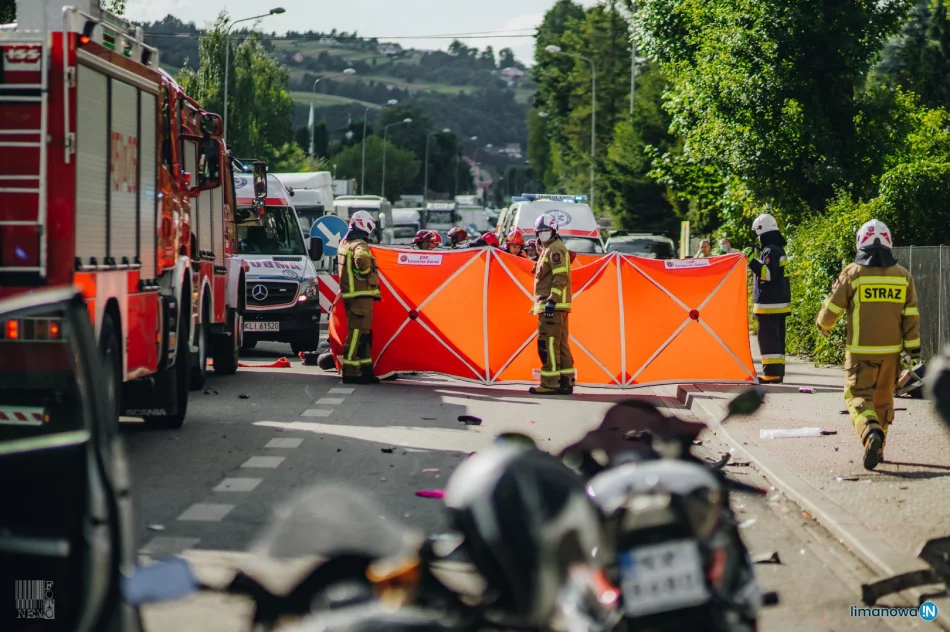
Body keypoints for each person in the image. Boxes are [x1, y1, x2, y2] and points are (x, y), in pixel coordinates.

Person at [816, 219, 920, 470]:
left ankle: (870, 431)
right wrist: (912, 352)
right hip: (891, 354)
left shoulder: (853, 273)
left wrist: (823, 327)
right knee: (883, 401)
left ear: (860, 243)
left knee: (858, 396)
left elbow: (832, 308)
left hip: (860, 352)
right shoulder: (903, 276)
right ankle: (879, 449)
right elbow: (911, 317)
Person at [529, 213, 574, 396]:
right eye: (540, 232)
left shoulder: (554, 249)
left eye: (546, 231)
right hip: (559, 306)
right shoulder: (550, 248)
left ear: (554, 231)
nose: (542, 235)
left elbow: (560, 276)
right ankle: (565, 381)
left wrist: (551, 301)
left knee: (548, 344)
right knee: (560, 344)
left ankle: (550, 383)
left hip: (552, 306)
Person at [337, 211, 382, 385]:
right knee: (357, 335)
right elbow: (362, 260)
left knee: (363, 335)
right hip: (360, 295)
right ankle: (350, 372)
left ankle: (365, 369)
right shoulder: (359, 244)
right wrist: (366, 272)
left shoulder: (344, 242)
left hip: (351, 295)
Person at [748, 214, 791, 384]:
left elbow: (768, 274)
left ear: (762, 232)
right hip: (777, 304)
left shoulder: (771, 250)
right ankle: (777, 373)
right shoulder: (776, 249)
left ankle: (772, 374)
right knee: (776, 338)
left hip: (770, 305)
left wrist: (751, 261)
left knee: (768, 339)